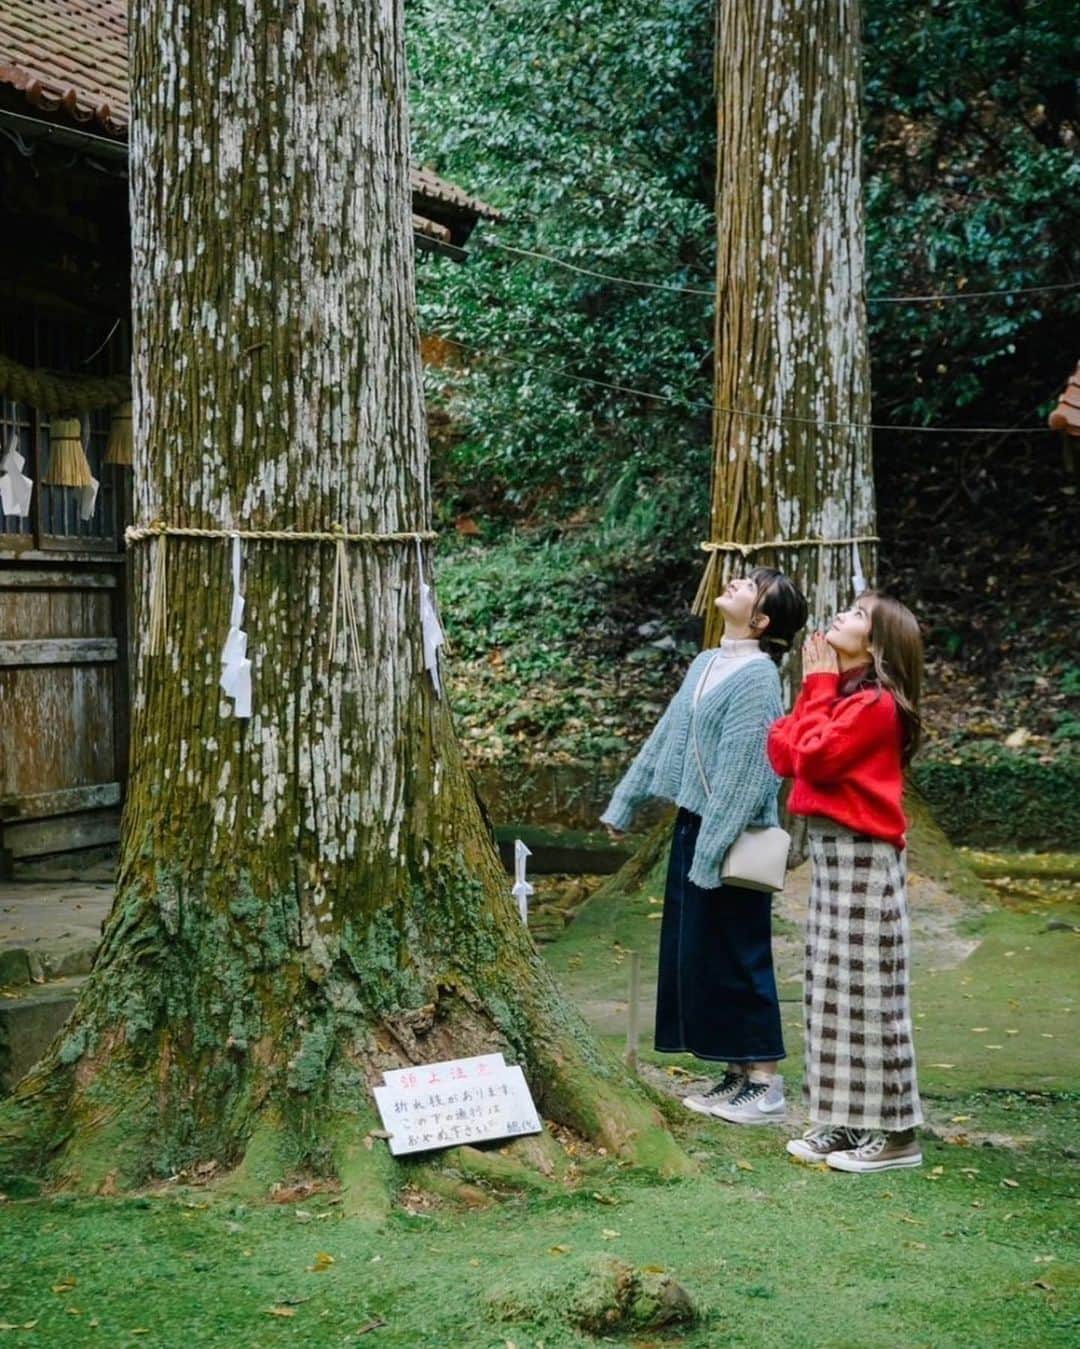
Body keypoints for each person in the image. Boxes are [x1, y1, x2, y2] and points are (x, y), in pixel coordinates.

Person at [601, 569, 807, 1124]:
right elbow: (666, 736)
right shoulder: (708, 663)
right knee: (703, 956)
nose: (736, 581)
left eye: (750, 585)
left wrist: (711, 851)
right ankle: (735, 1074)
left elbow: (749, 774)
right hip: (697, 828)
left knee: (740, 956)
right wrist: (625, 803)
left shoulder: (760, 679)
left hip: (732, 834)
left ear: (760, 620)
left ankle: (766, 1084)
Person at [768, 591, 925, 1172]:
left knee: (872, 994)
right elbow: (782, 751)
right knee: (830, 989)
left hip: (866, 855)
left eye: (858, 615)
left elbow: (815, 758)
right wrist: (819, 697)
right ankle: (843, 1118)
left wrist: (815, 690)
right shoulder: (839, 696)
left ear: (879, 644)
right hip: (830, 853)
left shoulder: (877, 705)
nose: (842, 616)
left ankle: (898, 1132)